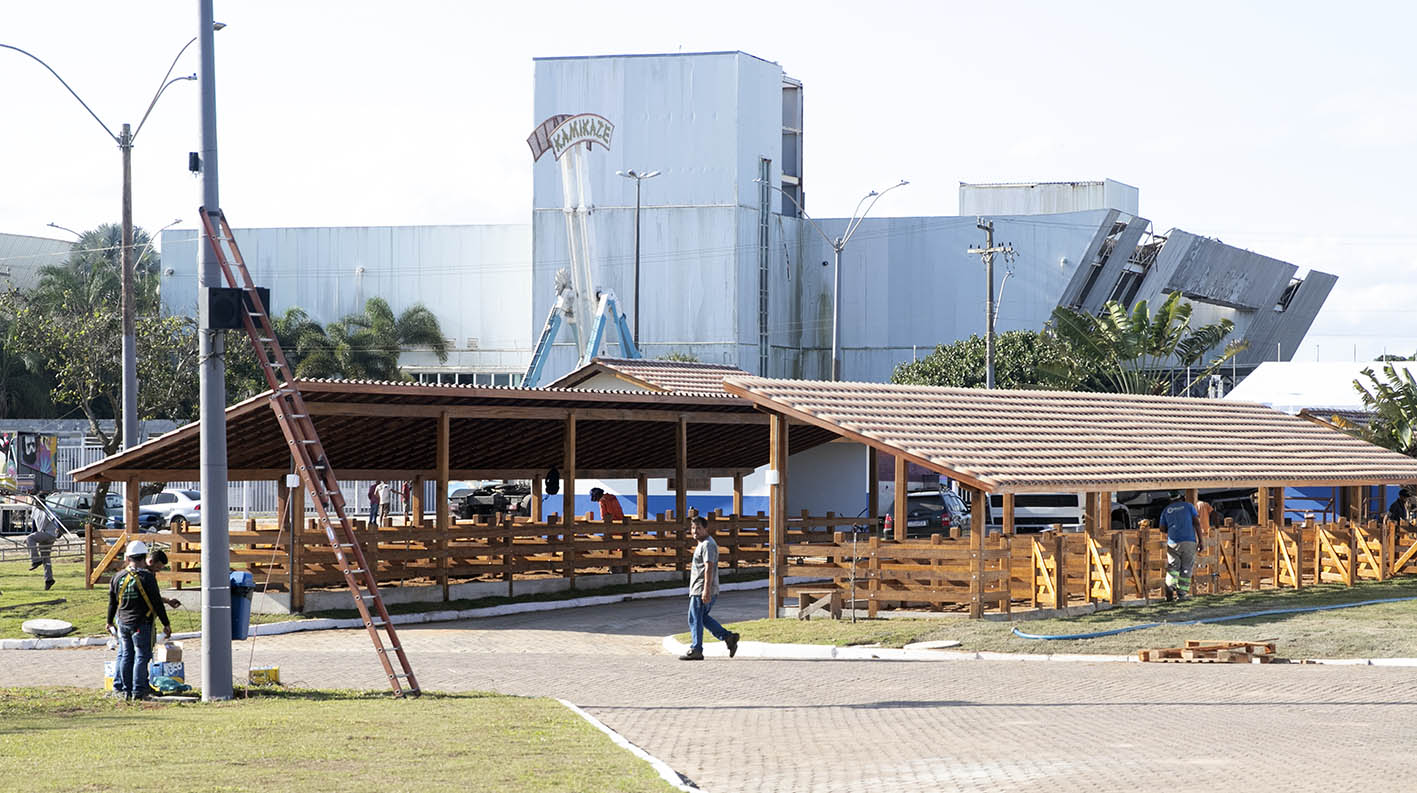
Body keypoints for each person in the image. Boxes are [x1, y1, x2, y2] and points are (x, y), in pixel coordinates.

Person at [106, 540, 171, 701]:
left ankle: (126, 691)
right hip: (141, 622)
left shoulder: (117, 577)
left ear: (128, 557)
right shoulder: (147, 577)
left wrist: (109, 621)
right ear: (144, 558)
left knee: (126, 655)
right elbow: (156, 601)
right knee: (142, 656)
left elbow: (112, 602)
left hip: (122, 622)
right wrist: (166, 623)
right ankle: (138, 690)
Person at [680, 515, 739, 660]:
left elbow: (709, 568)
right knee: (702, 618)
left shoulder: (707, 545)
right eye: (693, 528)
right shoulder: (703, 544)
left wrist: (706, 590)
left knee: (694, 618)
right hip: (700, 588)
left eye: (698, 528)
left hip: (702, 589)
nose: (695, 531)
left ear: (706, 529)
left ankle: (696, 649)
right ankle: (728, 637)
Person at [1159, 491, 1201, 602]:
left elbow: (1162, 528)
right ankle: (1181, 595)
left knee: (1173, 567)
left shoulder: (1166, 510)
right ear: (1181, 497)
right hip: (1189, 541)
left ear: (1170, 499)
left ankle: (1169, 586)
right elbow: (1197, 523)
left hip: (1173, 542)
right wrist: (1201, 540)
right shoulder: (1189, 507)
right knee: (1186, 568)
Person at [26, 494, 63, 591]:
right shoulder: (35, 509)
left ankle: (35, 560)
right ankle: (49, 579)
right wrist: (33, 536)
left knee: (30, 539)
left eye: (38, 502)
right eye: (36, 502)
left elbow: (56, 520)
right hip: (43, 534)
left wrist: (59, 529)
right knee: (45, 557)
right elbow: (34, 524)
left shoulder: (47, 509)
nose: (37, 504)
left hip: (50, 535)